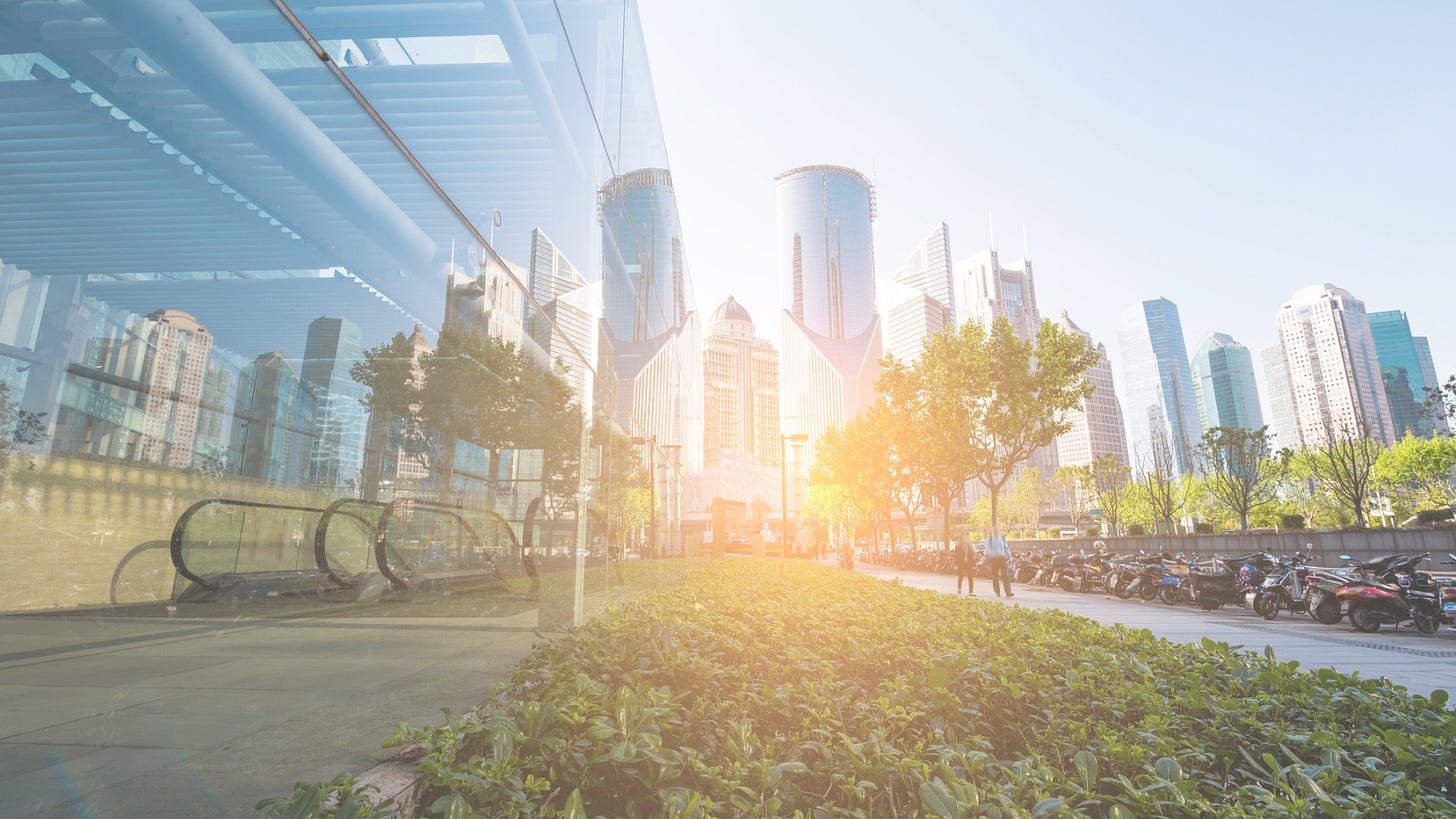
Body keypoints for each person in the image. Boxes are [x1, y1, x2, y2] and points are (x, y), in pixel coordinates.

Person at [985, 530, 1014, 598]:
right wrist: (992, 554)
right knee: (995, 576)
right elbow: (987, 547)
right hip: (994, 559)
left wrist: (1010, 558)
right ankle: (997, 592)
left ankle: (1008, 592)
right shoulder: (990, 538)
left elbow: (1006, 548)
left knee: (1006, 575)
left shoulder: (1002, 538)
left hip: (1002, 558)